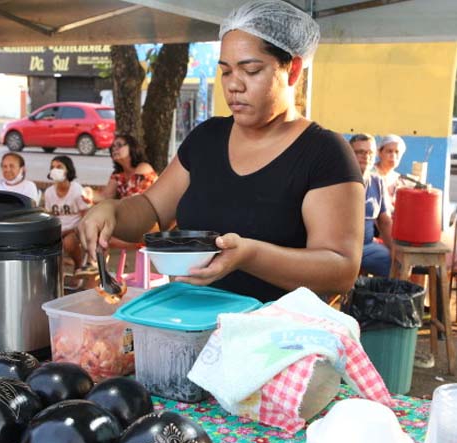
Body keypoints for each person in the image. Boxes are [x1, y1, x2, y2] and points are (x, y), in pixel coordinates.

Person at [79, 0, 364, 303]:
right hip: (191, 324)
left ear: (292, 70)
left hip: (279, 341)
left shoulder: (324, 153)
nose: (233, 86)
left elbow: (341, 270)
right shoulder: (207, 138)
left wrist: (250, 255)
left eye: (251, 70)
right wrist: (111, 210)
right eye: (226, 72)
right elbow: (151, 209)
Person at [350, 134, 393, 277]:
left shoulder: (377, 182)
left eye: (370, 153)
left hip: (367, 247)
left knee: (391, 260)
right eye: (360, 152)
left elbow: (385, 221)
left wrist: (395, 251)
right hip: (340, 247)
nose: (366, 156)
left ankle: (382, 299)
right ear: (349, 153)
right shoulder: (337, 180)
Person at [44, 155, 92, 271]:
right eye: (53, 167)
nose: (55, 170)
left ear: (68, 170)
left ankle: (78, 266)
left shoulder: (76, 190)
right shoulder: (49, 193)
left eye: (59, 167)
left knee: (68, 243)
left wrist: (71, 230)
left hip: (75, 230)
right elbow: (50, 217)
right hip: (58, 230)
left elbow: (86, 217)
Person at [95, 134, 158, 202]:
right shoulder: (118, 175)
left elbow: (132, 200)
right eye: (112, 147)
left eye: (119, 145)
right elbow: (104, 196)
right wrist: (89, 194)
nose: (114, 149)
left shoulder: (144, 168)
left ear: (132, 147)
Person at [373, 134, 406, 212]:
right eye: (389, 151)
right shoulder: (371, 174)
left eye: (397, 152)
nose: (393, 155)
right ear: (380, 153)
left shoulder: (400, 180)